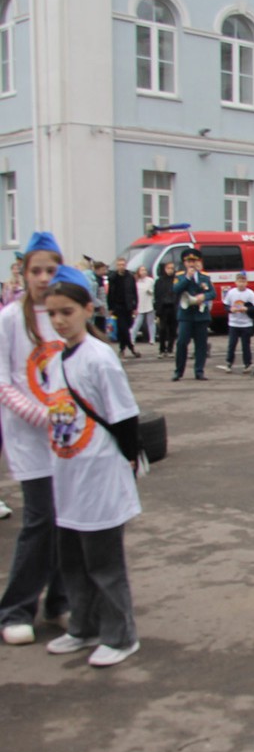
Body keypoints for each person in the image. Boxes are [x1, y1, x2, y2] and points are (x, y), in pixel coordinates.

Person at [43, 273, 142, 667]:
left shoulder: (100, 358)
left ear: (88, 310)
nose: (59, 321)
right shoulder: (56, 359)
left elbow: (124, 416)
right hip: (68, 475)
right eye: (52, 314)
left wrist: (129, 461)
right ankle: (83, 628)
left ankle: (120, 636)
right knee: (72, 561)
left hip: (98, 472)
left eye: (66, 312)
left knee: (103, 562)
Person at [0, 232, 69, 646]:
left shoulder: (64, 313)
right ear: (23, 273)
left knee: (67, 522)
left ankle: (59, 603)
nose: (44, 278)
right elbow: (5, 381)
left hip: (68, 440)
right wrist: (40, 415)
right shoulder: (10, 318)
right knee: (40, 520)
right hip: (30, 437)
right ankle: (16, 608)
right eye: (36, 270)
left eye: (51, 270)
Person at [172, 247, 215, 381]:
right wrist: (188, 277)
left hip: (201, 315)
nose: (191, 264)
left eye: (194, 261)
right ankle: (179, 371)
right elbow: (176, 290)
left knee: (201, 344)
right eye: (189, 261)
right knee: (181, 343)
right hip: (186, 315)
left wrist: (204, 296)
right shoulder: (179, 276)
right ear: (185, 263)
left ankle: (199, 371)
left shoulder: (204, 277)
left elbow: (213, 293)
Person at [218, 272, 254, 374]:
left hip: (246, 324)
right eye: (239, 281)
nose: (241, 284)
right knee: (232, 344)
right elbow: (225, 305)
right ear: (236, 282)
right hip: (234, 323)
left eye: (243, 281)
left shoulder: (250, 293)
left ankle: (247, 364)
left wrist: (247, 309)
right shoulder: (231, 292)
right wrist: (230, 309)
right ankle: (229, 363)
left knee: (246, 345)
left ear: (246, 282)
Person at [107, 256, 139, 358]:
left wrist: (135, 307)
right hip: (118, 306)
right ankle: (130, 348)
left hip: (128, 306)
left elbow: (134, 292)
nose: (121, 267)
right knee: (123, 328)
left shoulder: (130, 277)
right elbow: (110, 293)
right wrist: (110, 307)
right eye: (119, 265)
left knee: (127, 327)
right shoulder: (113, 277)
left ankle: (124, 347)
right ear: (117, 266)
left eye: (123, 265)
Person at [154, 261, 176, 358]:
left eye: (172, 268)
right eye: (168, 268)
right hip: (163, 308)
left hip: (173, 307)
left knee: (173, 330)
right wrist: (157, 310)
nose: (170, 270)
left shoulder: (176, 280)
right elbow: (157, 296)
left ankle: (170, 349)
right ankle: (162, 349)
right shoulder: (159, 281)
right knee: (162, 329)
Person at [132, 265, 156, 347]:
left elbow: (154, 290)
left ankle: (152, 339)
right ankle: (132, 338)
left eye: (145, 270)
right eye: (142, 270)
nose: (144, 272)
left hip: (149, 303)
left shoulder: (150, 280)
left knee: (151, 322)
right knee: (137, 322)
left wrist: (151, 292)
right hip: (140, 304)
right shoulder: (136, 282)